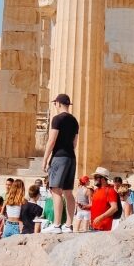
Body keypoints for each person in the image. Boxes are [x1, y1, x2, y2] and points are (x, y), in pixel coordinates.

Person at [42, 94, 79, 233]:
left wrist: (45, 159)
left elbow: (52, 140)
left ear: (58, 103)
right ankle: (68, 225)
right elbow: (74, 143)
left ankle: (57, 225)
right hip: (71, 157)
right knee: (68, 192)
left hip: (59, 156)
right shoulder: (74, 121)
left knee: (55, 190)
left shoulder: (57, 119)